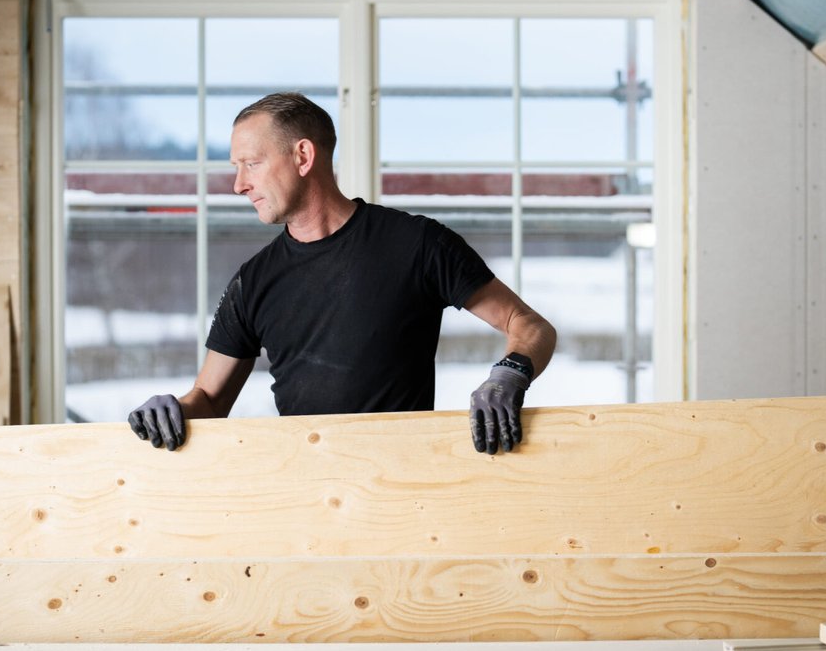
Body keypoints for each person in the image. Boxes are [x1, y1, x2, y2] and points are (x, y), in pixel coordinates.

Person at [128, 92, 556, 455]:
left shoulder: (416, 244)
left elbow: (529, 325)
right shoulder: (253, 281)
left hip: (407, 490)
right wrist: (175, 409)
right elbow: (210, 399)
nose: (239, 184)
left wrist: (508, 374)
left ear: (303, 156)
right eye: (235, 168)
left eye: (251, 163)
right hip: (308, 498)